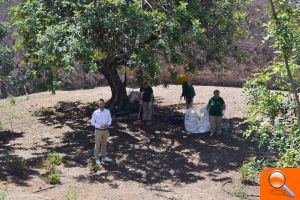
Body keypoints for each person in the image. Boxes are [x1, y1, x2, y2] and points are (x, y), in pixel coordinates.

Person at [91, 99, 112, 165]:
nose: (101, 105)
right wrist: (100, 126)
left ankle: (104, 157)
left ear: (104, 104)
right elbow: (92, 122)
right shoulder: (95, 112)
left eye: (102, 104)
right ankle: (97, 158)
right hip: (98, 131)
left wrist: (108, 124)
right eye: (100, 104)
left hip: (105, 130)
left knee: (104, 144)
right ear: (98, 104)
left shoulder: (107, 111)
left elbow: (110, 119)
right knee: (97, 145)